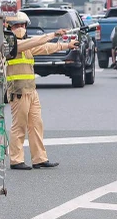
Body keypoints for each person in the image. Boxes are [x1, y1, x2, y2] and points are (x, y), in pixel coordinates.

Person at [5, 12, 78, 170]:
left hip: (31, 90)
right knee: (19, 126)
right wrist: (53, 34)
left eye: (22, 25)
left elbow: (45, 48)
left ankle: (39, 158)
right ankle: (16, 159)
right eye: (16, 25)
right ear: (9, 28)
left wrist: (66, 45)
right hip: (18, 91)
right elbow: (36, 42)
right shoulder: (9, 45)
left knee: (36, 124)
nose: (20, 28)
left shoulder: (27, 45)